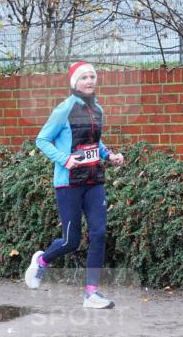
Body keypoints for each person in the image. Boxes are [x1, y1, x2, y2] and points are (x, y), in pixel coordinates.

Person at [24, 61, 125, 308]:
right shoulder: (64, 110)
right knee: (71, 241)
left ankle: (91, 293)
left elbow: (94, 143)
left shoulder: (98, 109)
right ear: (74, 83)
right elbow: (42, 140)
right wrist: (65, 159)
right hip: (68, 184)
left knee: (99, 233)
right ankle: (42, 261)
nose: (89, 81)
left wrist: (109, 155)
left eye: (92, 76)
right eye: (84, 78)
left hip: (94, 181)